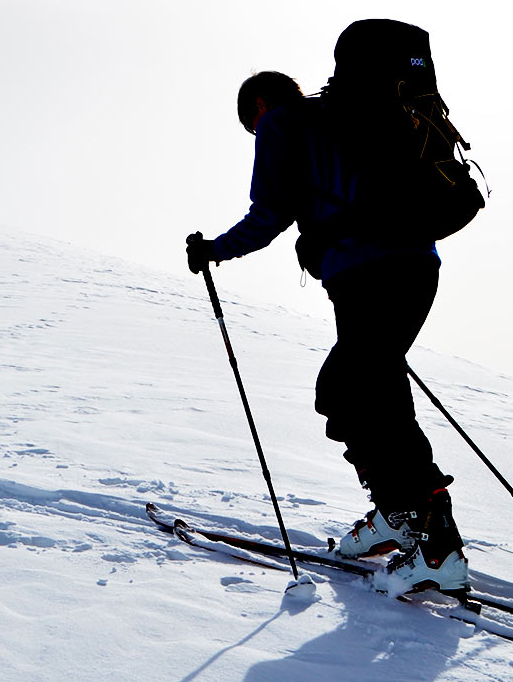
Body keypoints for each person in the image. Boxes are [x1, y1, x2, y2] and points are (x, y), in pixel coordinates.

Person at [184, 70, 468, 593]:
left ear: (259, 105)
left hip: (366, 271)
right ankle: (400, 515)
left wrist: (213, 250)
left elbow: (269, 214)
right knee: (363, 387)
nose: (255, 135)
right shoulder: (343, 116)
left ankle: (434, 538)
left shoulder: (281, 122)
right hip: (412, 263)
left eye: (251, 125)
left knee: (353, 389)